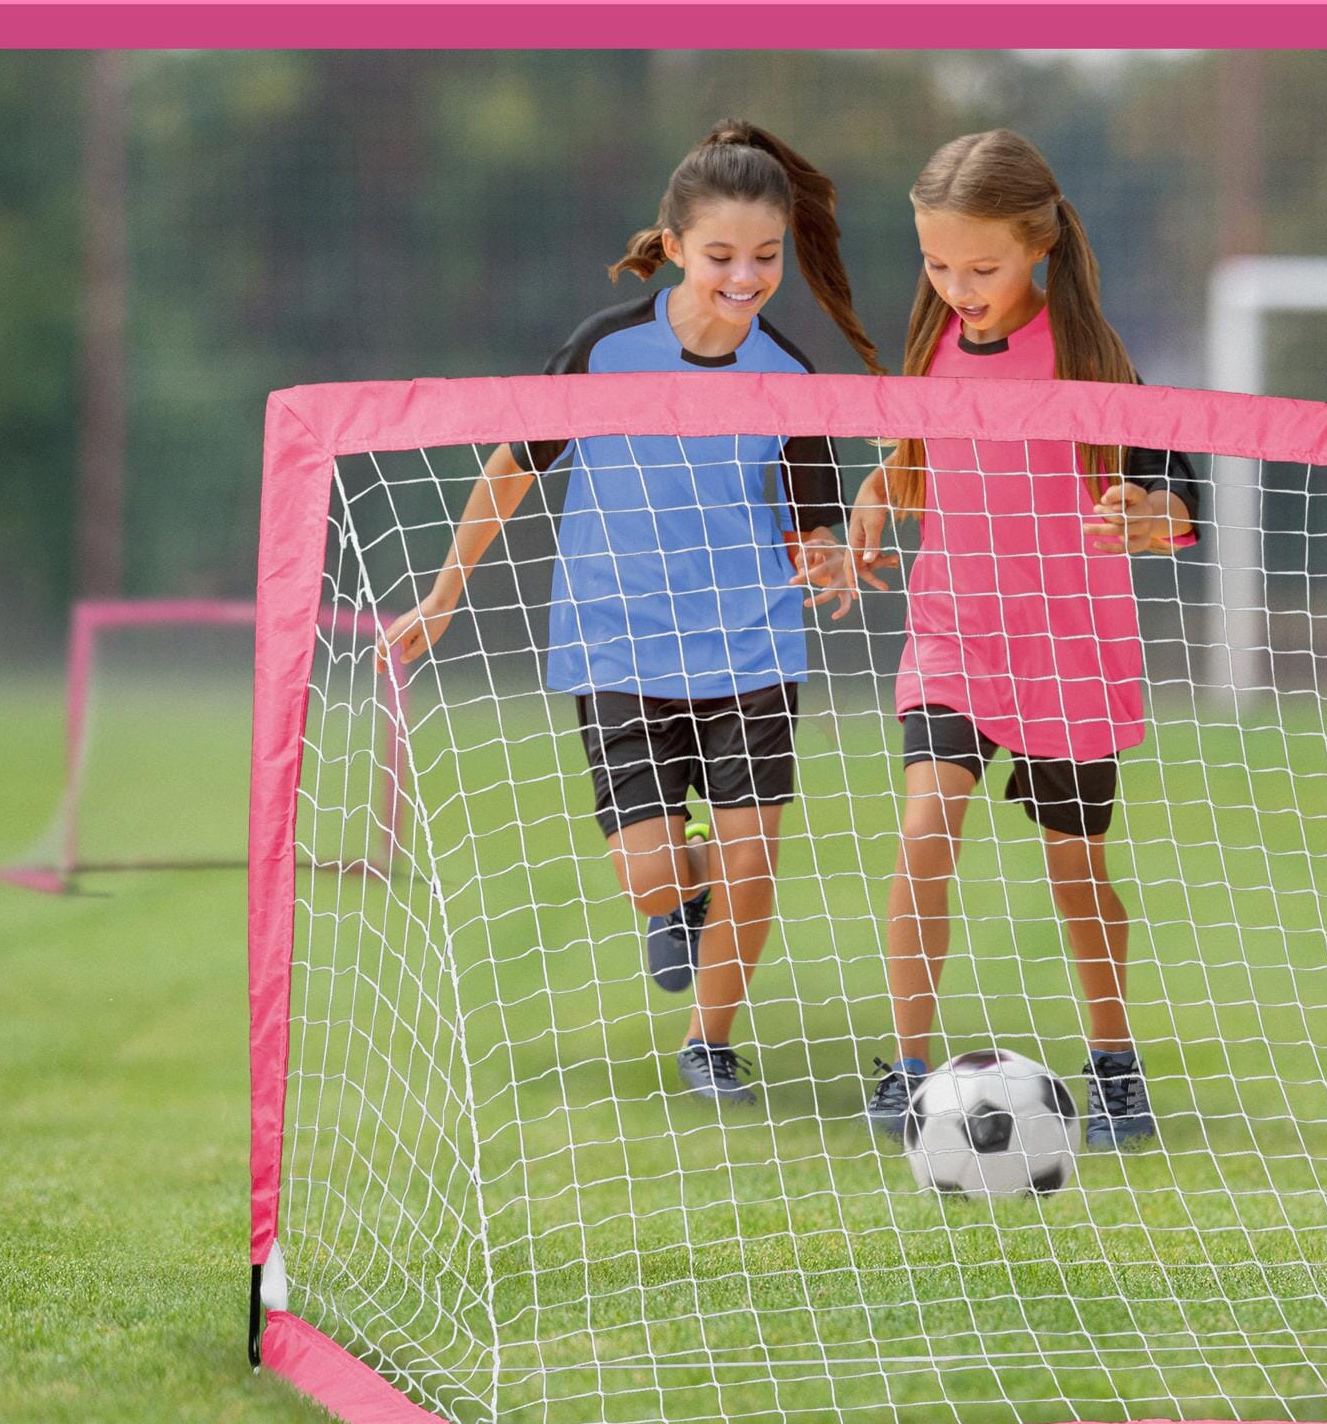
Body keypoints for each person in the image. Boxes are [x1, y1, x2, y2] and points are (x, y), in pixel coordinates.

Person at [382, 121, 882, 1103]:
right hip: (616, 644)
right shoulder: (607, 350)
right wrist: (446, 589)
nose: (745, 276)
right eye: (722, 255)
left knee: (753, 853)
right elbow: (512, 468)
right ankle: (676, 896)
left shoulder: (788, 380)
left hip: (751, 645)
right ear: (673, 245)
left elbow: (810, 521)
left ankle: (709, 1042)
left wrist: (828, 559)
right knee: (651, 875)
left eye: (766, 256)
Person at [848, 129, 1202, 1150]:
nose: (955, 286)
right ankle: (908, 1067)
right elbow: (919, 468)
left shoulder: (1092, 358)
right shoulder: (928, 348)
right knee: (923, 832)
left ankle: (1113, 1061)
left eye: (980, 266)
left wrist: (1152, 511)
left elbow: (1174, 494)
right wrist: (875, 494)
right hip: (954, 632)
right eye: (935, 263)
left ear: (1036, 247)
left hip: (1068, 648)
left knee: (1072, 870)